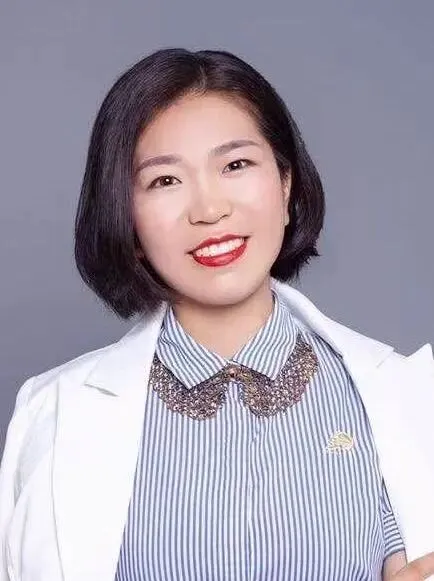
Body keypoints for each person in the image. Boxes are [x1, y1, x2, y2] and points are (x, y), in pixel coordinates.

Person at [0, 47, 433, 581]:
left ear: (286, 183)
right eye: (164, 180)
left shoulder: (404, 399)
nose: (209, 210)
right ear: (126, 217)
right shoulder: (52, 413)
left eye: (235, 165)